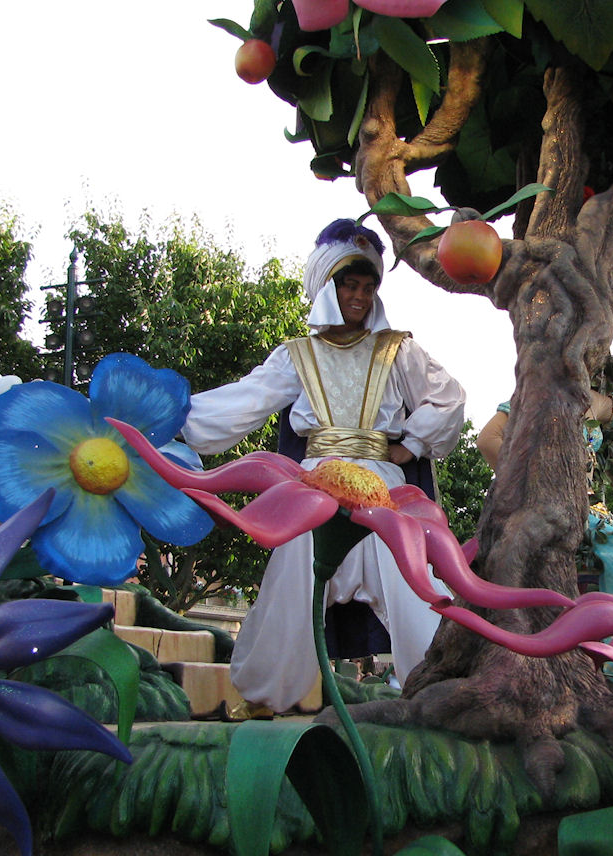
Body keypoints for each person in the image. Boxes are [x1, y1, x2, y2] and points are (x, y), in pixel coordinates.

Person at [182, 219, 466, 713]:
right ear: (327, 287)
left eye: (367, 286)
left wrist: (410, 446)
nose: (359, 296)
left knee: (412, 584)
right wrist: (172, 418)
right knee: (290, 586)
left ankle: (441, 687)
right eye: (349, 285)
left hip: (381, 490)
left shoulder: (397, 350)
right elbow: (245, 400)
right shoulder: (296, 356)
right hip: (314, 488)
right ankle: (264, 695)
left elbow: (449, 398)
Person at [475, 375, 613, 601]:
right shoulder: (535, 395)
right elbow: (487, 439)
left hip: (593, 514)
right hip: (554, 512)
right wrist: (536, 484)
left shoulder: (594, 401)